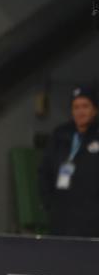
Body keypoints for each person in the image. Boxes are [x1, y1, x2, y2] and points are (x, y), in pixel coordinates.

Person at [39, 87, 99, 237]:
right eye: (76, 107)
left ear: (95, 110)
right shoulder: (60, 134)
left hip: (93, 222)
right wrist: (49, 203)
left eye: (85, 106)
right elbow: (44, 171)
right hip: (61, 220)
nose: (80, 111)